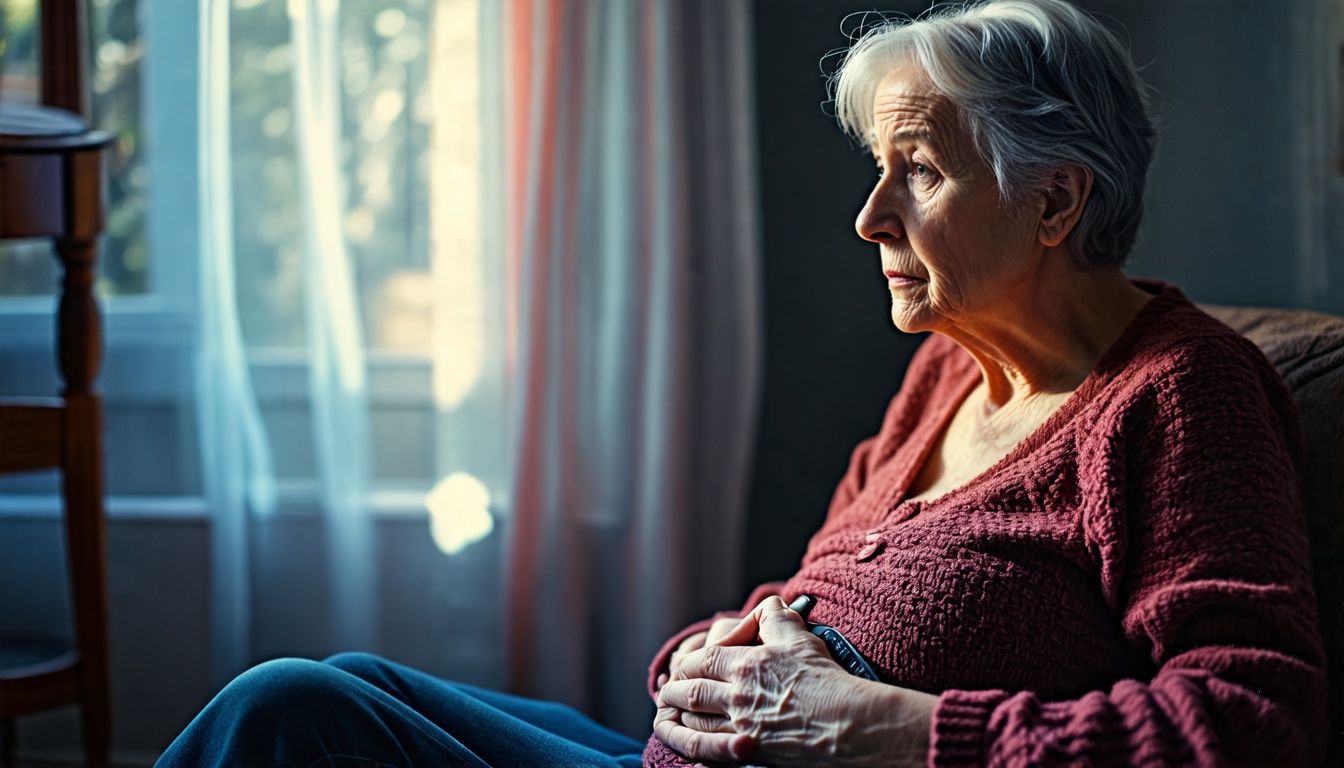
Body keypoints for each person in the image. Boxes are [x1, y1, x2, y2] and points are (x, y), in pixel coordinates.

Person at [157, 1, 1328, 766]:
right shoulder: (948, 373)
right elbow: (810, 595)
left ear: (1056, 202)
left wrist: (890, 730)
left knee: (287, 713)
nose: (870, 217)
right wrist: (700, 664)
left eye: (916, 171)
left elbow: (1250, 720)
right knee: (343, 682)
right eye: (880, 171)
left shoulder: (1180, 397)